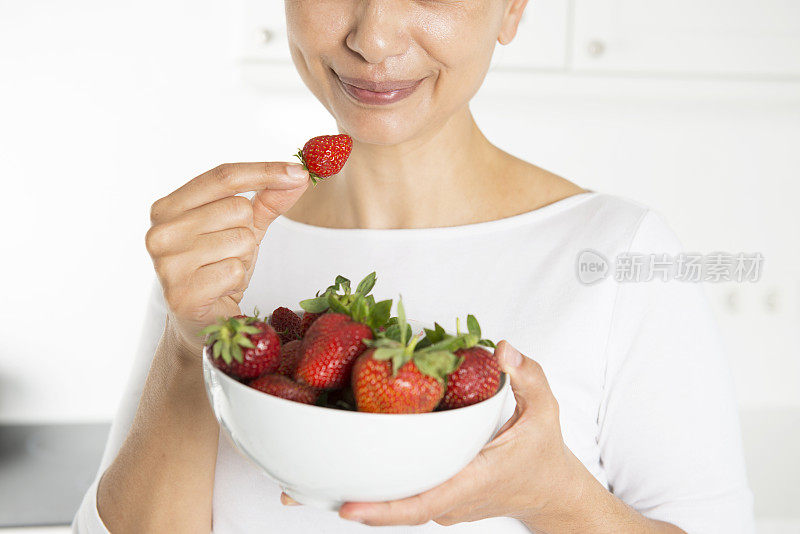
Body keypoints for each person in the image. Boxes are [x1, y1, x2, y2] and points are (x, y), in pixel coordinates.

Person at [73, 1, 754, 532]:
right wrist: (192, 345)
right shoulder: (225, 246)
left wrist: (557, 497)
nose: (373, 37)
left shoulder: (621, 251)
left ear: (511, 8)